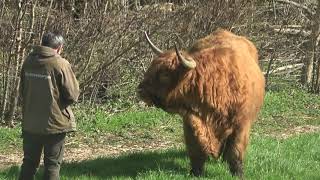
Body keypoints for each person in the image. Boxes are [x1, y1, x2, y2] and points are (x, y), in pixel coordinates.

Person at [18, 32, 80, 180]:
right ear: (59, 48)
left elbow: (22, 92)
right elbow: (73, 94)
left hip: (31, 124)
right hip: (54, 125)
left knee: (29, 163)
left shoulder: (28, 62)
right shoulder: (61, 64)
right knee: (52, 165)